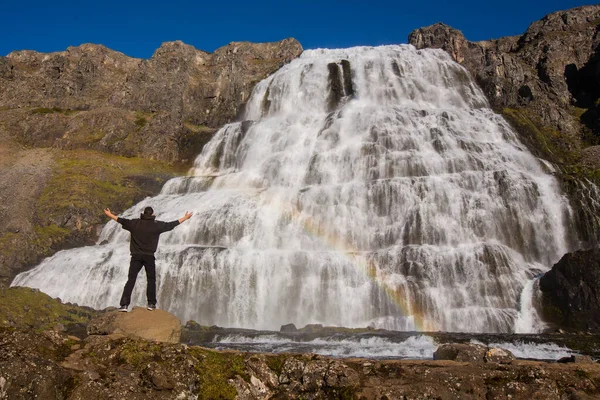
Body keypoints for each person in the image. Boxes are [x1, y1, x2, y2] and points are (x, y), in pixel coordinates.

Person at [103, 206, 193, 312]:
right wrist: (185, 218)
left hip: (136, 256)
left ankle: (124, 305)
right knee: (151, 280)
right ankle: (151, 304)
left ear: (143, 213)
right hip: (149, 256)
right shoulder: (157, 225)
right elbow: (171, 225)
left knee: (131, 280)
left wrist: (110, 215)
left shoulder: (134, 223)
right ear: (152, 214)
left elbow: (121, 220)